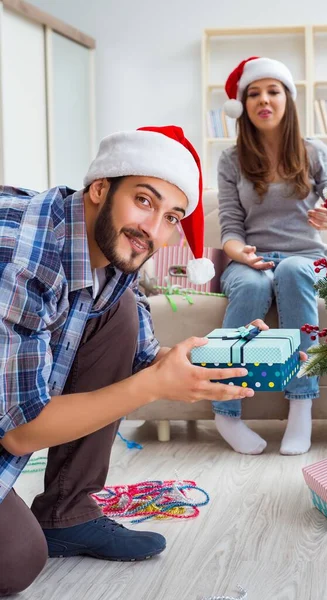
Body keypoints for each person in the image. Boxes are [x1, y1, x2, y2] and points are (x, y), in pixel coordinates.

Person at [0, 125, 262, 596]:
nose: (153, 231)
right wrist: (157, 385)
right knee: (16, 561)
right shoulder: (23, 259)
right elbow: (19, 432)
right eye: (144, 201)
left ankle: (66, 514)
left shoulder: (114, 251)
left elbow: (141, 361)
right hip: (11, 425)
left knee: (118, 316)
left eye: (171, 217)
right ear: (100, 188)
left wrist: (230, 352)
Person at [213, 57, 327, 457]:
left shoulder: (315, 153)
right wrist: (237, 252)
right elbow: (229, 226)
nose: (264, 100)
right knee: (251, 284)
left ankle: (301, 404)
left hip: (305, 258)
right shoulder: (231, 159)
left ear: (287, 99)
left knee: (295, 270)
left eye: (273, 91)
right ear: (242, 105)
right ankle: (225, 412)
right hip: (250, 259)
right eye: (254, 93)